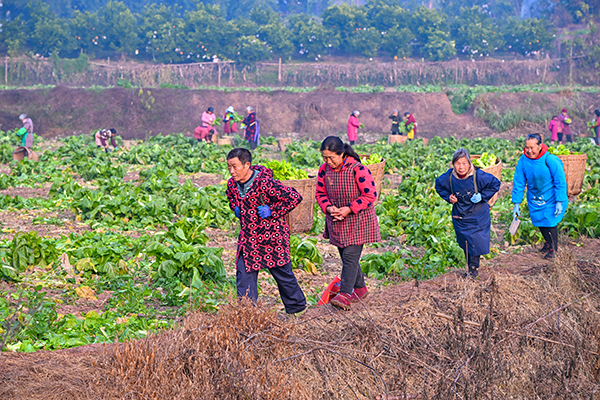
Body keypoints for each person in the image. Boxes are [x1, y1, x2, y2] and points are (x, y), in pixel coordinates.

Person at [225, 148, 306, 315]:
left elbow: (294, 197)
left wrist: (272, 210)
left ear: (247, 165)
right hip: (249, 238)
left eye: (235, 166)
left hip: (272, 236)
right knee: (244, 273)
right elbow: (231, 197)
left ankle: (297, 310)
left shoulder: (265, 182)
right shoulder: (232, 184)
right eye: (229, 167)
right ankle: (248, 315)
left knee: (282, 273)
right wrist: (235, 207)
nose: (232, 171)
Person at [316, 136, 380, 310]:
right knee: (347, 257)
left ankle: (345, 294)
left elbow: (370, 195)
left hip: (358, 220)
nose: (328, 161)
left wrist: (349, 209)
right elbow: (320, 194)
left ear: (342, 153)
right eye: (325, 158)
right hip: (337, 221)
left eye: (332, 157)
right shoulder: (324, 170)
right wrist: (329, 208)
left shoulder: (357, 169)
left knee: (350, 257)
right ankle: (360, 289)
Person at [435, 149, 501, 278]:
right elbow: (438, 186)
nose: (461, 167)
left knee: (475, 241)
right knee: (465, 241)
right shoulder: (449, 177)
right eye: (458, 163)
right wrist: (448, 197)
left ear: (470, 164)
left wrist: (482, 196)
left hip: (478, 214)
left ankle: (473, 269)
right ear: (453, 164)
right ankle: (470, 266)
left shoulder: (478, 175)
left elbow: (495, 184)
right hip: (460, 214)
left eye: (464, 163)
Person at [512, 133, 568, 259]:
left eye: (532, 147)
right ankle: (548, 244)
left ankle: (554, 249)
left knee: (550, 221)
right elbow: (519, 182)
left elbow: (560, 181)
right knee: (539, 221)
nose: (529, 151)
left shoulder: (550, 160)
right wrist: (516, 203)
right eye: (527, 147)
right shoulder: (523, 160)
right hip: (535, 196)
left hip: (551, 197)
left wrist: (559, 200)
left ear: (540, 146)